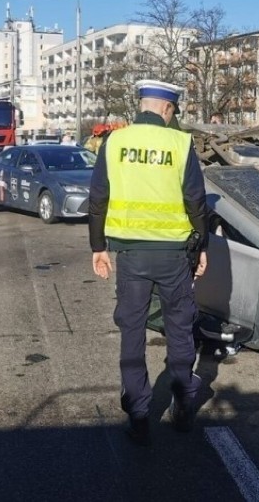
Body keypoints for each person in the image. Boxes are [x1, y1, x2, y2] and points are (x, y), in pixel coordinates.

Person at [89, 79, 208, 446]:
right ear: (167, 108)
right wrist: (201, 246)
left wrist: (98, 247)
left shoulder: (115, 142)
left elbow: (97, 198)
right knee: (179, 329)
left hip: (131, 257)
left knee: (132, 332)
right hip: (174, 256)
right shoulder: (180, 143)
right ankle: (184, 405)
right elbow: (195, 200)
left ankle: (139, 415)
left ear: (142, 105)